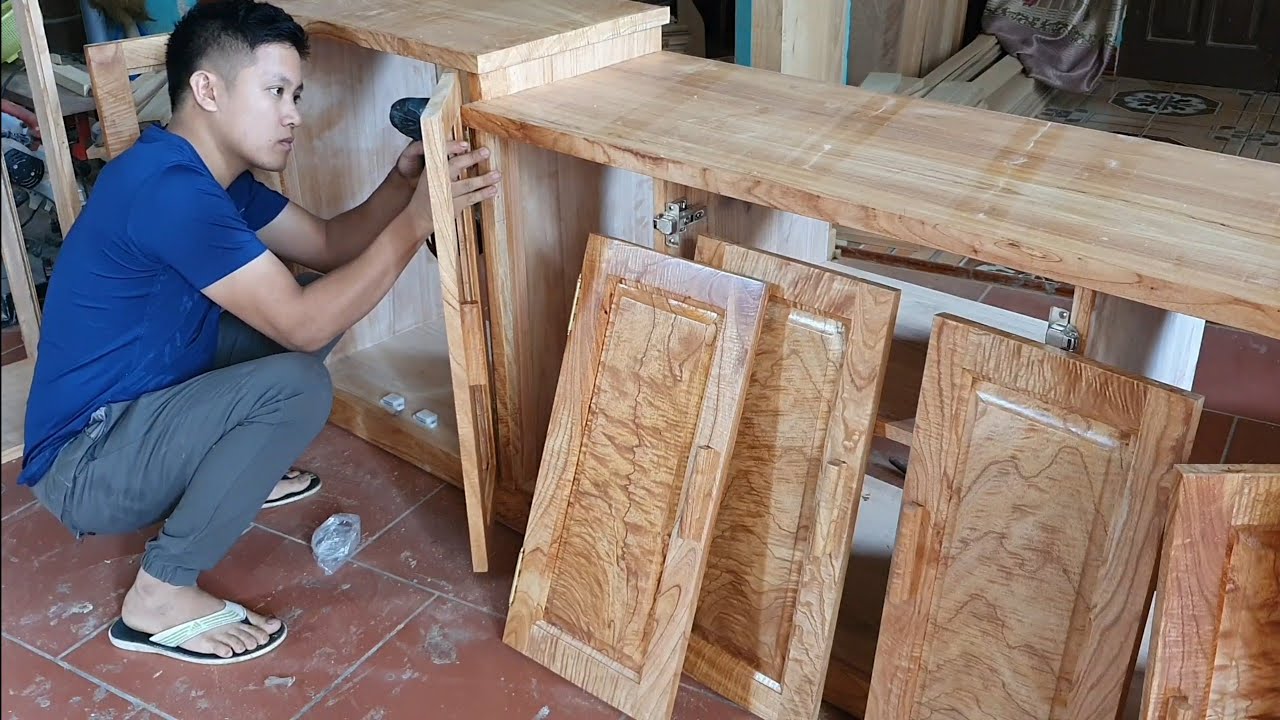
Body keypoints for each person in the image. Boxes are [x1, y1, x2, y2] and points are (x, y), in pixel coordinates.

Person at [16, 0, 501, 665]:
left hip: (142, 403)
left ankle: (226, 466)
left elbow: (330, 245)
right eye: (275, 91)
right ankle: (157, 597)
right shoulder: (169, 190)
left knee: (304, 296)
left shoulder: (215, 181)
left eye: (295, 94)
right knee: (298, 379)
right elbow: (305, 330)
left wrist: (401, 185)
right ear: (207, 89)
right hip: (88, 463)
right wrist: (420, 221)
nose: (293, 112)